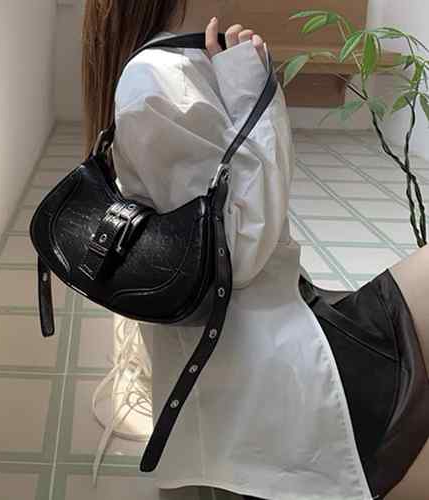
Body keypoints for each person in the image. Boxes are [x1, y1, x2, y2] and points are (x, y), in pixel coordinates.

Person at [81, 1, 429, 499]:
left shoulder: (180, 65)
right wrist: (253, 91)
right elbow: (240, 255)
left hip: (282, 326)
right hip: (272, 370)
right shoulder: (159, 79)